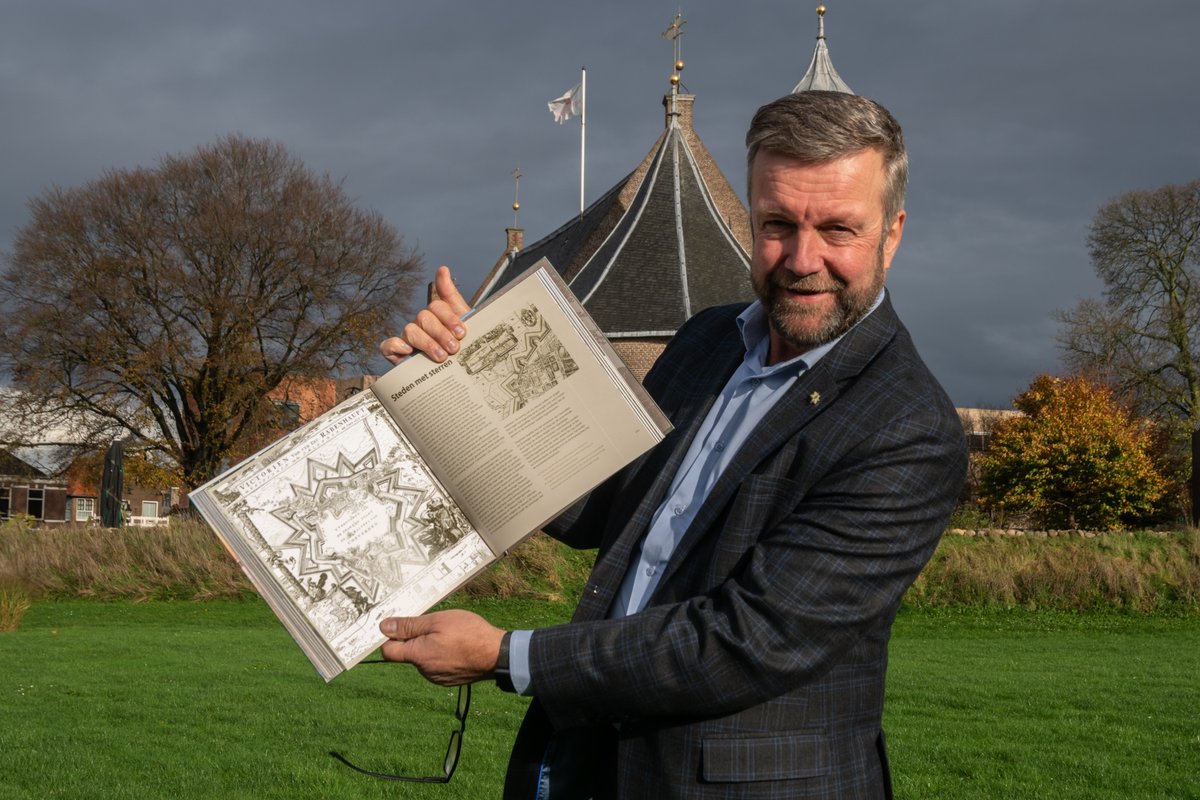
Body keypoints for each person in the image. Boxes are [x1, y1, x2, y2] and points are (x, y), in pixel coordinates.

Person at [377, 90, 967, 800]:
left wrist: (507, 656)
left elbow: (742, 642)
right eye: (777, 223)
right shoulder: (709, 339)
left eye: (839, 229)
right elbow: (598, 500)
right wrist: (460, 379)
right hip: (593, 760)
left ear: (893, 233)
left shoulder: (906, 426)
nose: (802, 258)